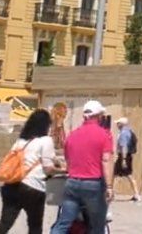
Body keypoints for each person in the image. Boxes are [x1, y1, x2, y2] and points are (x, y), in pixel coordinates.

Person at [49, 99, 113, 234]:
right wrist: (109, 186)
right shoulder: (104, 135)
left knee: (63, 222)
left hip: (72, 183)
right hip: (94, 184)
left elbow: (67, 160)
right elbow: (106, 160)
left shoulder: (72, 135)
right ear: (99, 116)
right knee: (96, 225)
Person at [0, 109, 56, 233]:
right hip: (33, 187)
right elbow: (48, 169)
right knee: (35, 226)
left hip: (11, 185)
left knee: (5, 223)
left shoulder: (20, 141)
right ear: (46, 125)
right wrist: (64, 170)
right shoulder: (46, 140)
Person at [112, 117, 140, 202]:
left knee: (123, 174)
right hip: (127, 156)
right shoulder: (129, 131)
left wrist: (123, 159)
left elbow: (124, 146)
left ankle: (111, 193)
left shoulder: (124, 133)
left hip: (123, 156)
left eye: (118, 123)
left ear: (121, 124)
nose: (117, 125)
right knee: (121, 174)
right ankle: (136, 194)